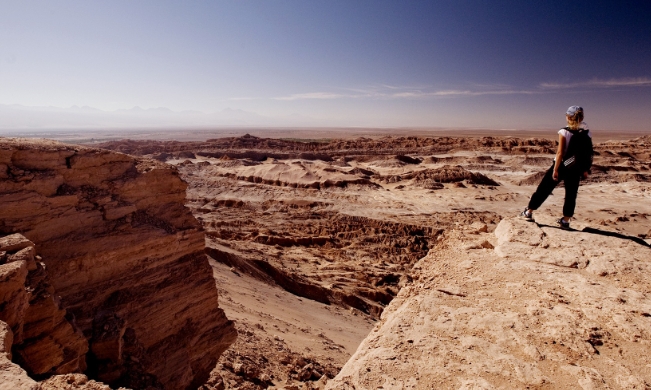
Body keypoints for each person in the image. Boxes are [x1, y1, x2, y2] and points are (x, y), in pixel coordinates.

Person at [520, 106, 591, 229]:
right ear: (581, 118)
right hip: (576, 167)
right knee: (571, 194)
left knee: (544, 189)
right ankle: (566, 221)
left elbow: (560, 153)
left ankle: (529, 212)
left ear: (568, 117)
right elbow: (587, 152)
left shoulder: (564, 132)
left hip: (563, 165)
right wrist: (585, 169)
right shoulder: (586, 132)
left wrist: (556, 169)